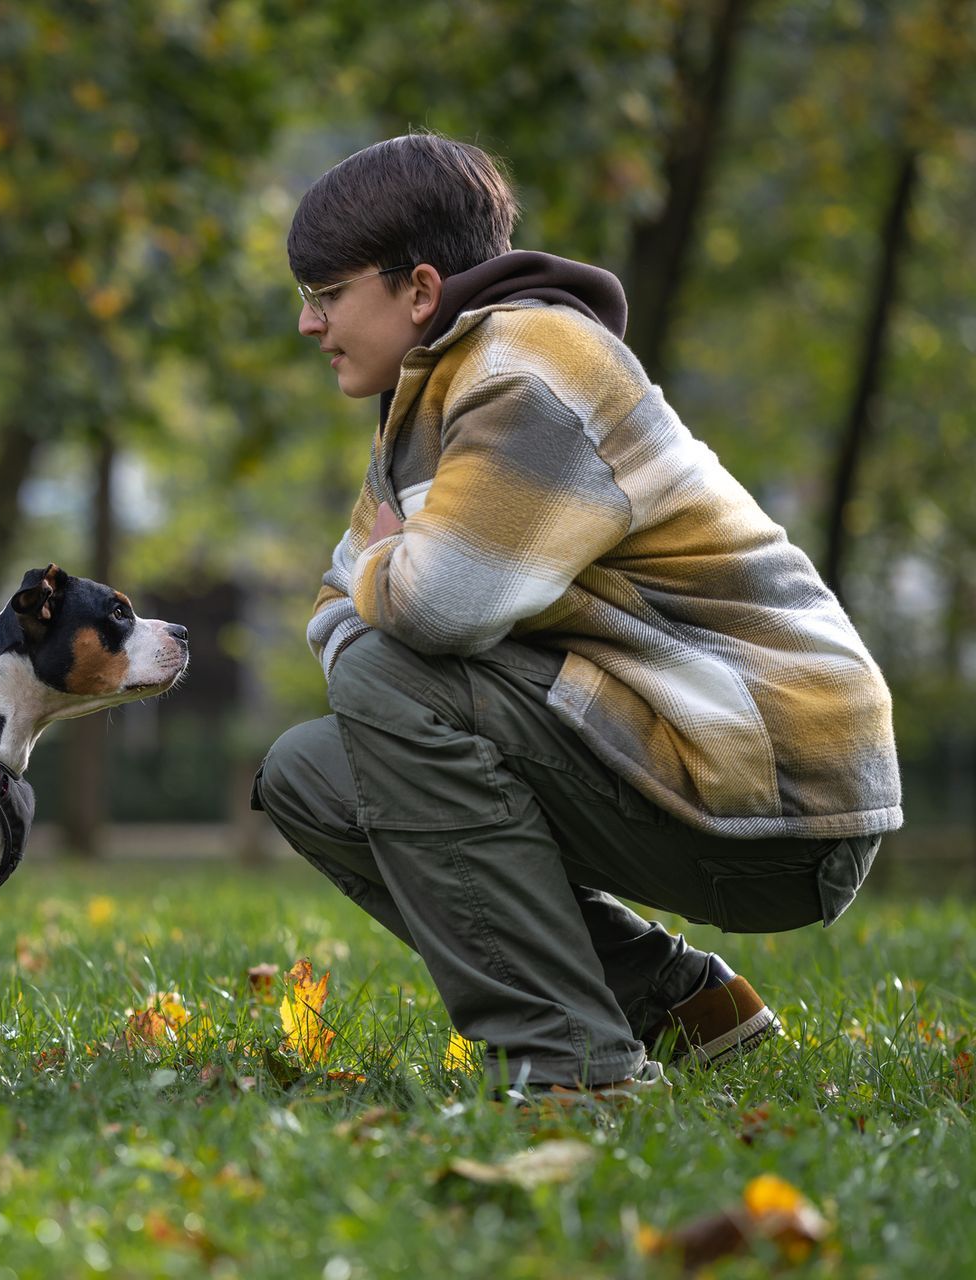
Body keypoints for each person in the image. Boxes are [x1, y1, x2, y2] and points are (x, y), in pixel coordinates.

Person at [252, 133, 901, 1097]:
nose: (310, 324)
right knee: (309, 773)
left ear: (419, 289)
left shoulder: (529, 372)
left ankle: (571, 1066)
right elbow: (337, 610)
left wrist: (388, 569)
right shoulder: (424, 404)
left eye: (325, 293)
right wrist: (393, 577)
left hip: (787, 791)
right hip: (671, 754)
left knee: (386, 677)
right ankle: (673, 999)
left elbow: (425, 606)